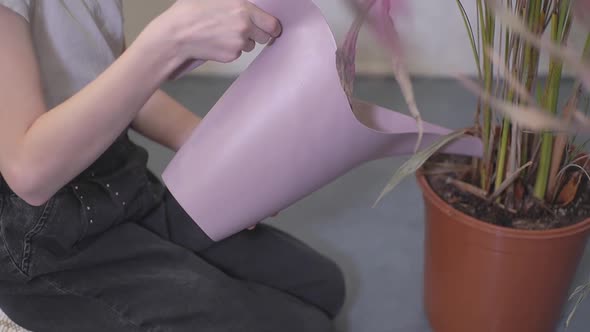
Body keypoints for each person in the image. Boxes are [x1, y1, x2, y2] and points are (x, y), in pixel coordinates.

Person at [0, 0, 346, 331]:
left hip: (121, 184)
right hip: (43, 236)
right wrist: (168, 39)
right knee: (305, 326)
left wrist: (221, 156)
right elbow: (29, 175)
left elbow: (113, 84)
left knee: (322, 287)